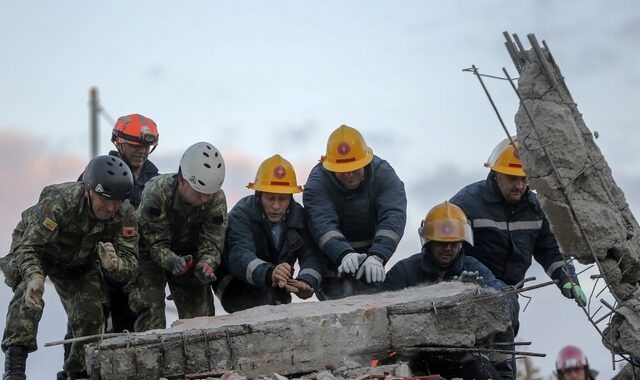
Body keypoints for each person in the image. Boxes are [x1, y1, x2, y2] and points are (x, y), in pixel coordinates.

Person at [450, 136, 585, 379]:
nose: (520, 186)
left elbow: (551, 249)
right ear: (495, 174)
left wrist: (567, 277)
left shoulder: (535, 207)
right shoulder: (466, 203)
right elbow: (447, 251)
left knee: (503, 370)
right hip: (468, 303)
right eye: (513, 178)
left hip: (507, 306)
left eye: (525, 179)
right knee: (475, 368)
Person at [1, 155, 138, 380]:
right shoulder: (59, 200)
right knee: (27, 294)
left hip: (79, 262)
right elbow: (30, 246)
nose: (111, 207)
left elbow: (130, 265)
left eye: (117, 200)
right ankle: (15, 369)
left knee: (93, 310)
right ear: (88, 190)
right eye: (105, 199)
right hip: (39, 251)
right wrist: (35, 275)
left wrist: (114, 266)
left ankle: (78, 372)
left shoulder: (125, 215)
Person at [53, 114, 161, 379]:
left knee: (129, 323)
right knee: (87, 321)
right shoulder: (98, 173)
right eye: (136, 144)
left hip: (134, 264)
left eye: (147, 146)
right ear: (119, 142)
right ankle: (74, 372)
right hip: (98, 263)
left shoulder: (155, 179)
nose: (142, 151)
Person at [381, 201, 516, 380]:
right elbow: (379, 312)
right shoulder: (404, 271)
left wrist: (484, 294)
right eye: (441, 243)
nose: (448, 248)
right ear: (428, 241)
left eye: (454, 243)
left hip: (464, 352)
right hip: (417, 354)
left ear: (462, 243)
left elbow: (508, 306)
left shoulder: (475, 269)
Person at [128, 141, 227, 332]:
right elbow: (155, 243)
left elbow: (213, 239)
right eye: (199, 193)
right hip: (149, 253)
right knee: (151, 312)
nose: (205, 200)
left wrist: (207, 263)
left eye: (210, 194)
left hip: (190, 256)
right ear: (183, 181)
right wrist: (173, 262)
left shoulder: (216, 199)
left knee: (201, 321)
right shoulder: (156, 193)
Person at [303, 124, 407, 300]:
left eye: (355, 168)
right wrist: (343, 253)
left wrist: (378, 256)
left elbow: (393, 218)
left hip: (371, 259)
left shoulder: (384, 175)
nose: (350, 175)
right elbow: (322, 224)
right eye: (342, 171)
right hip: (331, 263)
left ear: (366, 162)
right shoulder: (317, 184)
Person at [215, 154, 323, 312]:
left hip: (276, 284)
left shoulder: (299, 216)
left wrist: (306, 281)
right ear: (258, 195)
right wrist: (270, 272)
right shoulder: (241, 214)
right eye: (270, 198)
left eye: (282, 199)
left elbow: (311, 255)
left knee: (278, 303)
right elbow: (240, 256)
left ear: (291, 198)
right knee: (262, 302)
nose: (276, 206)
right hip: (235, 285)